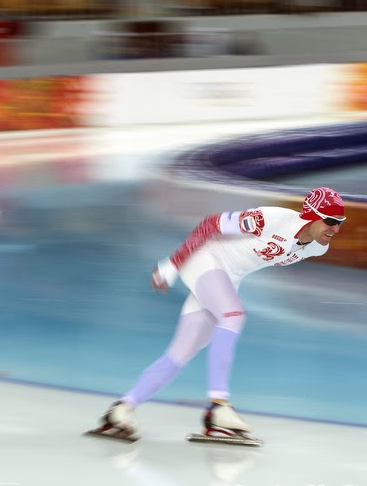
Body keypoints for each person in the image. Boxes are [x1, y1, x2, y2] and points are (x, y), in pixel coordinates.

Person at [89, 187, 347, 442]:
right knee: (233, 314)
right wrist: (174, 263)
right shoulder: (272, 219)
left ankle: (122, 408)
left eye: (340, 223)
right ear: (312, 215)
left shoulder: (316, 247)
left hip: (228, 279)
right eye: (331, 221)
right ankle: (218, 407)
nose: (335, 229)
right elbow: (212, 223)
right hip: (205, 261)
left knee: (180, 354)